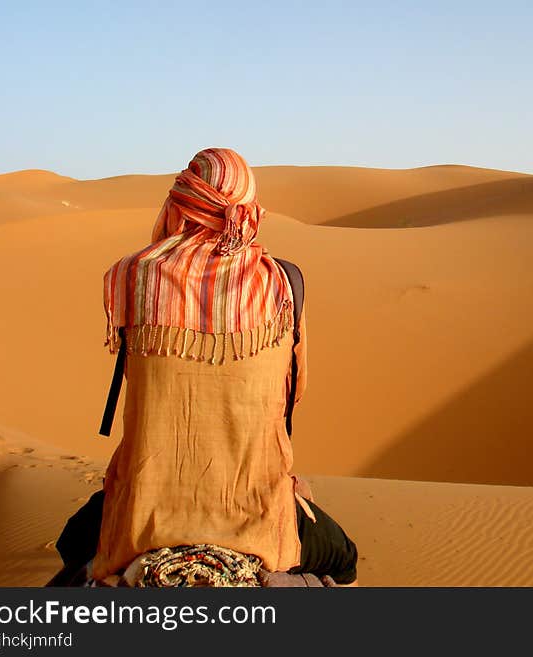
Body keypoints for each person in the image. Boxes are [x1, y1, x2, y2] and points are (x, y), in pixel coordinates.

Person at [89, 148, 358, 586]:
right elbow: (294, 392)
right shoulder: (283, 283)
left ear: (180, 203)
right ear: (248, 209)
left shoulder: (134, 276)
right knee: (344, 557)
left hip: (142, 515)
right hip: (257, 510)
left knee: (71, 543)